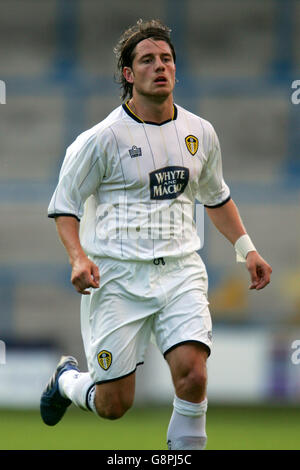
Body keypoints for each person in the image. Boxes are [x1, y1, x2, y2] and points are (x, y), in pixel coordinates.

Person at [40, 19, 272, 450]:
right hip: (117, 277)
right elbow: (64, 206)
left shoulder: (200, 133)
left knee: (194, 374)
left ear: (176, 70)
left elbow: (216, 198)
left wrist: (248, 250)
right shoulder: (100, 140)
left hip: (181, 271)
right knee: (114, 404)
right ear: (128, 75)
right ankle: (68, 380)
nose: (159, 66)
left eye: (166, 58)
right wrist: (77, 257)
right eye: (147, 60)